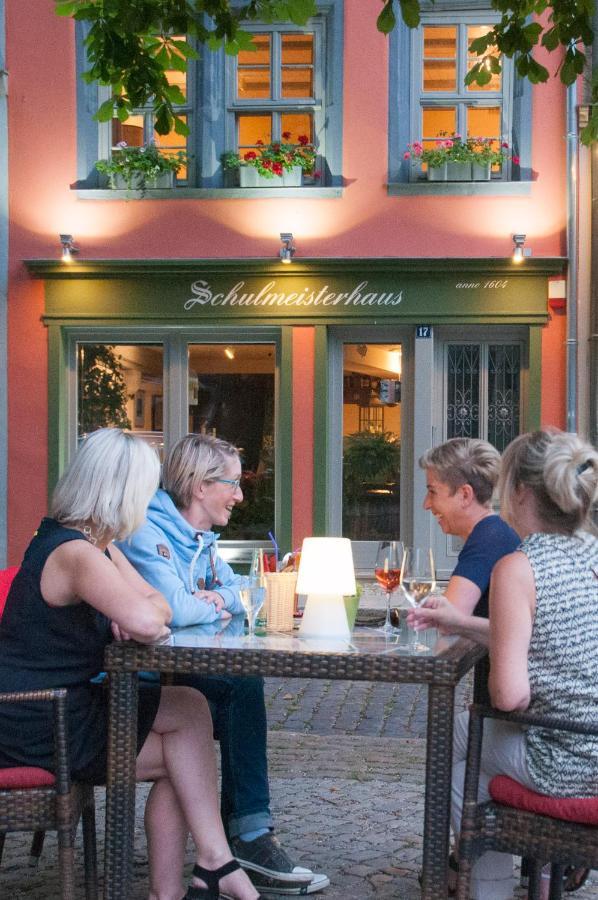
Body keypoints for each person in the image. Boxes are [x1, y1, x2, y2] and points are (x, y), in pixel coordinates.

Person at [0, 428, 262, 900]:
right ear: (122, 491)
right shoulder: (75, 553)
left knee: (190, 706)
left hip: (65, 707)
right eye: (145, 490)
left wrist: (143, 613)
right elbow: (149, 615)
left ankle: (205, 868)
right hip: (41, 723)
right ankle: (204, 871)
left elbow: (158, 606)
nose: (150, 502)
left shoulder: (93, 544)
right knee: (185, 756)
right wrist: (138, 614)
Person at [119, 433, 329, 896]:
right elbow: (173, 608)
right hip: (136, 680)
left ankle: (242, 839)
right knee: (238, 688)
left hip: (177, 672)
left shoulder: (201, 540)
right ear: (199, 486)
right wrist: (215, 602)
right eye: (232, 484)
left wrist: (212, 597)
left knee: (238, 684)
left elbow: (249, 590)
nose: (239, 495)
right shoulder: (147, 533)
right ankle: (249, 836)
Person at [448, 429, 598, 899]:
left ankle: (483, 886)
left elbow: (510, 697)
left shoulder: (519, 567)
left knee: (454, 748)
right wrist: (465, 623)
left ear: (519, 491)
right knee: (468, 757)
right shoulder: (593, 554)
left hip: (568, 760)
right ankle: (548, 873)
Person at [410, 437, 520, 648]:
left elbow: (449, 620)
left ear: (465, 495)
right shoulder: (496, 531)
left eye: (432, 491)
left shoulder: (488, 539)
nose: (426, 504)